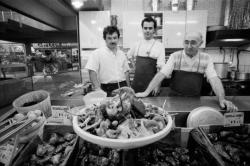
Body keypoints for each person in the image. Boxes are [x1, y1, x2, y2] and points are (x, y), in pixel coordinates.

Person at [136, 32, 238, 112]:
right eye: (186, 42)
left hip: (195, 100)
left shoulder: (206, 58)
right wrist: (146, 92)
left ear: (200, 43)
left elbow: (214, 79)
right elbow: (161, 74)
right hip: (173, 99)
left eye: (193, 42)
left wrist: (222, 99)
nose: (189, 46)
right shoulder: (175, 56)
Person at [85, 25, 130, 97]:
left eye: (115, 38)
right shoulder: (97, 53)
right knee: (109, 107)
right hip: (107, 88)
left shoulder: (122, 54)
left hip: (123, 86)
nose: (112, 41)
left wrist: (128, 88)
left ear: (118, 38)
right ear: (105, 39)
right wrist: (98, 89)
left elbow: (126, 72)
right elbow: (92, 71)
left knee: (125, 107)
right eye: (109, 38)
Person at [127, 17, 165, 96]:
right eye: (145, 28)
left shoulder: (159, 46)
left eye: (150, 28)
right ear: (142, 29)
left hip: (151, 84)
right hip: (136, 83)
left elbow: (161, 69)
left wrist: (157, 85)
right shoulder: (137, 44)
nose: (147, 30)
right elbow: (129, 55)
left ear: (154, 30)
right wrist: (134, 65)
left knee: (150, 106)